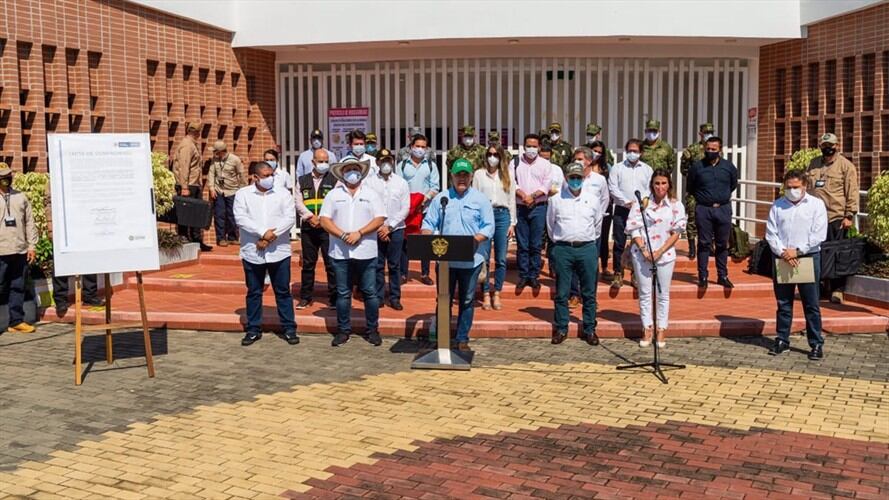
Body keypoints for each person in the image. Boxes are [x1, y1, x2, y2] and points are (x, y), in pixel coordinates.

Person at [422, 158, 494, 351]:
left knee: (467, 300)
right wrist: (426, 236)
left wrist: (476, 239)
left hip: (471, 260)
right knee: (443, 299)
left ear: (471, 177)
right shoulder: (441, 199)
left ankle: (462, 338)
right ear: (451, 176)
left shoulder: (480, 199)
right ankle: (442, 337)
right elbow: (428, 223)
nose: (462, 178)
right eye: (458, 175)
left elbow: (488, 226)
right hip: (445, 260)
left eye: (465, 175)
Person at [319, 158, 386, 347]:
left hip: (366, 251)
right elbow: (324, 220)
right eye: (348, 169)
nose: (352, 172)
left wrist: (359, 233)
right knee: (343, 293)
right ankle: (343, 331)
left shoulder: (372, 194)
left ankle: (372, 330)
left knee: (370, 293)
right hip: (340, 252)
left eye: (356, 168)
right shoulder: (333, 195)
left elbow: (380, 218)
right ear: (342, 173)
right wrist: (342, 235)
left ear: (362, 172)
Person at [232, 161, 298, 346]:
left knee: (283, 291)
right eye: (266, 175)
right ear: (255, 177)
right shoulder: (243, 195)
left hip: (279, 251)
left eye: (272, 174)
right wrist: (262, 233)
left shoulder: (283, 193)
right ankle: (253, 329)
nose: (271, 178)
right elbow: (241, 218)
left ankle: (289, 328)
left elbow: (289, 218)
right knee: (254, 291)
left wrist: (270, 236)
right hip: (252, 251)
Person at [766, 170, 828, 360]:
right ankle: (782, 339)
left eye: (795, 187)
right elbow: (771, 233)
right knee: (783, 303)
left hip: (807, 257)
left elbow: (818, 234)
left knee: (811, 304)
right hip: (783, 257)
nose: (792, 190)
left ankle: (816, 343)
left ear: (804, 186)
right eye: (789, 187)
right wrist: (783, 251)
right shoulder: (778, 205)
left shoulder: (816, 205)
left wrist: (798, 251)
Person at [626, 169, 687, 348]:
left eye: (664, 183)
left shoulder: (676, 205)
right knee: (645, 293)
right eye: (657, 183)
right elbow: (634, 228)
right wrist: (644, 250)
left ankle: (662, 329)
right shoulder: (641, 204)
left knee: (663, 294)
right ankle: (647, 328)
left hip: (665, 254)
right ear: (652, 185)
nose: (660, 187)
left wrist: (659, 251)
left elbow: (677, 232)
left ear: (669, 185)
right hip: (642, 254)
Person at [546, 162, 603, 346]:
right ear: (566, 178)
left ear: (583, 178)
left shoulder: (593, 199)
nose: (575, 180)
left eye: (579, 177)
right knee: (562, 292)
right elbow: (550, 225)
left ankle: (589, 329)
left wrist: (586, 240)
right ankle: (561, 328)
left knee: (588, 292)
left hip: (587, 248)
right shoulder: (556, 200)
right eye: (572, 177)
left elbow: (597, 225)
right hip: (563, 248)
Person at [806, 132, 860, 304]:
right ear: (820, 146)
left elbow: (852, 192)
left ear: (837, 145)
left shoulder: (846, 166)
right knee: (817, 253)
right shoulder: (813, 164)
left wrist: (849, 215)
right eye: (824, 145)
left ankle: (837, 290)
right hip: (815, 218)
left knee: (837, 255)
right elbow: (807, 187)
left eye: (831, 145)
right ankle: (821, 286)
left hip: (835, 217)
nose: (828, 148)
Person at [687, 136, 739, 289]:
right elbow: (691, 187)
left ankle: (722, 275)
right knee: (704, 243)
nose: (710, 152)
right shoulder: (697, 167)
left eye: (714, 149)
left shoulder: (729, 167)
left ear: (720, 150)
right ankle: (703, 275)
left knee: (722, 244)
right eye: (708, 149)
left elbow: (733, 185)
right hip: (704, 209)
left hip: (723, 209)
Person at [565, 146, 611, 307]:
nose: (577, 162)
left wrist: (596, 221)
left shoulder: (599, 180)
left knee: (590, 266)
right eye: (575, 159)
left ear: (589, 161)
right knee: (573, 265)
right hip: (573, 230)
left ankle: (589, 296)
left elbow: (605, 201)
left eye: (580, 159)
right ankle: (574, 295)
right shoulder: (571, 179)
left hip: (593, 231)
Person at [472, 143, 516, 310]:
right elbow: (474, 197)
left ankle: (496, 292)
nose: (492, 158)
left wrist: (512, 223)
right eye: (490, 154)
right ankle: (484, 294)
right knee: (483, 257)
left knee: (501, 258)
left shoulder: (507, 175)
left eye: (496, 155)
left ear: (501, 157)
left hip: (502, 215)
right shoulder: (479, 175)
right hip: (484, 216)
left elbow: (512, 200)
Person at [365, 149, 410, 310]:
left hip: (396, 229)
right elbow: (367, 206)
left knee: (394, 265)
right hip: (375, 229)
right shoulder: (368, 182)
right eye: (382, 160)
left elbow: (405, 208)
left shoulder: (401, 182)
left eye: (389, 160)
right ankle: (378, 297)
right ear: (377, 162)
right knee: (377, 265)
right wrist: (379, 227)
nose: (386, 164)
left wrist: (389, 226)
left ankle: (395, 297)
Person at [295, 148, 338, 309]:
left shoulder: (334, 180)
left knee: (331, 263)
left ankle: (334, 298)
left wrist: (322, 219)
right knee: (308, 264)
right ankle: (306, 297)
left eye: (326, 161)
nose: (324, 164)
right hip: (308, 227)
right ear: (313, 162)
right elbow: (298, 201)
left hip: (327, 228)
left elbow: (336, 202)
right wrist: (309, 216)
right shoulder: (302, 180)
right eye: (320, 161)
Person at [607, 139, 653, 288]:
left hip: (639, 211)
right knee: (619, 243)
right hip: (622, 209)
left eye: (635, 151)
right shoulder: (617, 168)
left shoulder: (647, 169)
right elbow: (613, 187)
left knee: (638, 243)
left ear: (641, 152)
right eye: (630, 150)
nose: (632, 153)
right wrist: (626, 201)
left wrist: (642, 202)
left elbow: (649, 188)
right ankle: (618, 273)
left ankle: (635, 274)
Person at [396, 133, 440, 285]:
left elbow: (435, 187)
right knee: (404, 241)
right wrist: (408, 203)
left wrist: (423, 199)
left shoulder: (431, 165)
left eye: (423, 147)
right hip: (406, 209)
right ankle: (402, 273)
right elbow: (398, 186)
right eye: (417, 146)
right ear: (411, 147)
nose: (420, 149)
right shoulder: (402, 165)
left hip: (424, 209)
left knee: (425, 241)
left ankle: (425, 273)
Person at [0, 163, 37, 334]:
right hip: (1, 250)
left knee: (18, 286)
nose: (6, 179)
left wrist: (32, 246)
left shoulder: (20, 197)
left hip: (19, 249)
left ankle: (16, 321)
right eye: (2, 176)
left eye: (8, 175)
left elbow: (30, 222)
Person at [514, 133, 552, 294]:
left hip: (538, 207)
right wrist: (523, 196)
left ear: (539, 147)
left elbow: (547, 184)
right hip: (520, 207)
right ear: (524, 146)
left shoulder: (545, 164)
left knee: (536, 244)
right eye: (528, 145)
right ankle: (523, 275)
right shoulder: (514, 163)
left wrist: (533, 196)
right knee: (522, 244)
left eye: (534, 146)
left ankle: (534, 275)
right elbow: (512, 182)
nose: (531, 149)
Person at [679, 123, 716, 260]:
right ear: (700, 133)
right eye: (706, 132)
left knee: (711, 218)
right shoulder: (692, 149)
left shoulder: (715, 148)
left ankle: (709, 246)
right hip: (695, 190)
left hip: (711, 190)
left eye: (710, 132)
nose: (708, 134)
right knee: (693, 218)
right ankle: (692, 248)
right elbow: (683, 169)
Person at [173, 123, 211, 251]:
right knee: (186, 213)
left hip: (193, 183)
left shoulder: (190, 144)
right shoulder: (187, 145)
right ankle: (185, 238)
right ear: (196, 132)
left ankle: (196, 240)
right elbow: (184, 165)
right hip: (188, 185)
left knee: (195, 213)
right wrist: (184, 186)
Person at [208, 140, 247, 247]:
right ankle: (220, 238)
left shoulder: (235, 160)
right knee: (219, 214)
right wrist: (211, 188)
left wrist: (244, 189)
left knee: (232, 215)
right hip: (219, 190)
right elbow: (211, 173)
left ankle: (232, 237)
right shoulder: (215, 160)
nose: (214, 154)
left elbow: (241, 175)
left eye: (215, 151)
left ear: (220, 151)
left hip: (232, 190)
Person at [587, 140, 614, 279]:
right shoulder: (585, 166)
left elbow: (609, 188)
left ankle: (604, 266)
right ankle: (591, 267)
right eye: (594, 150)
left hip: (604, 208)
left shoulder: (606, 167)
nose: (596, 153)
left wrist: (602, 210)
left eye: (599, 151)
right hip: (586, 208)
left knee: (603, 238)